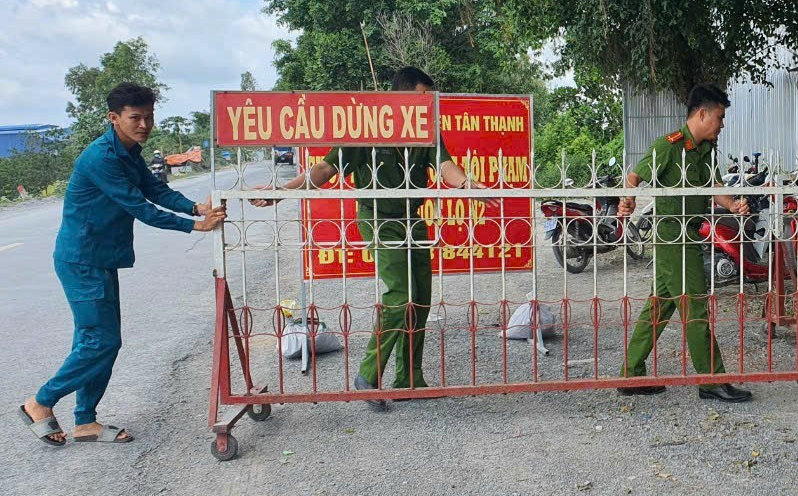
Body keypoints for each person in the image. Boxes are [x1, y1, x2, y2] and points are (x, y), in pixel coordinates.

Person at [253, 66, 496, 411]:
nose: (429, 105)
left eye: (431, 99)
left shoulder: (428, 129)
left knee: (421, 299)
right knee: (402, 294)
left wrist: (469, 186)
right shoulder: (366, 126)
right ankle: (368, 374)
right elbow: (325, 169)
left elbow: (445, 166)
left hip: (413, 216)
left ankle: (409, 380)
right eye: (422, 98)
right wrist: (284, 191)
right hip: (379, 218)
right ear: (399, 97)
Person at [19, 82, 226, 446]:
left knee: (96, 340)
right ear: (114, 118)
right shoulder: (100, 157)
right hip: (81, 259)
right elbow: (140, 207)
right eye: (135, 117)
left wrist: (196, 207)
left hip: (101, 259)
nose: (144, 124)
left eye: (148, 116)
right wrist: (196, 226)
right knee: (102, 341)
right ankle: (40, 402)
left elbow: (155, 190)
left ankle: (85, 422)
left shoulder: (131, 152)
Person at [616, 83, 753, 403]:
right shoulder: (668, 147)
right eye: (719, 117)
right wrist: (628, 200)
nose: (722, 124)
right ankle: (711, 380)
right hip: (672, 238)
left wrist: (731, 205)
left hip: (689, 234)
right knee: (695, 307)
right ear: (702, 114)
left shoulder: (707, 150)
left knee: (658, 308)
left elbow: (713, 185)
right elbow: (635, 176)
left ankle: (630, 374)